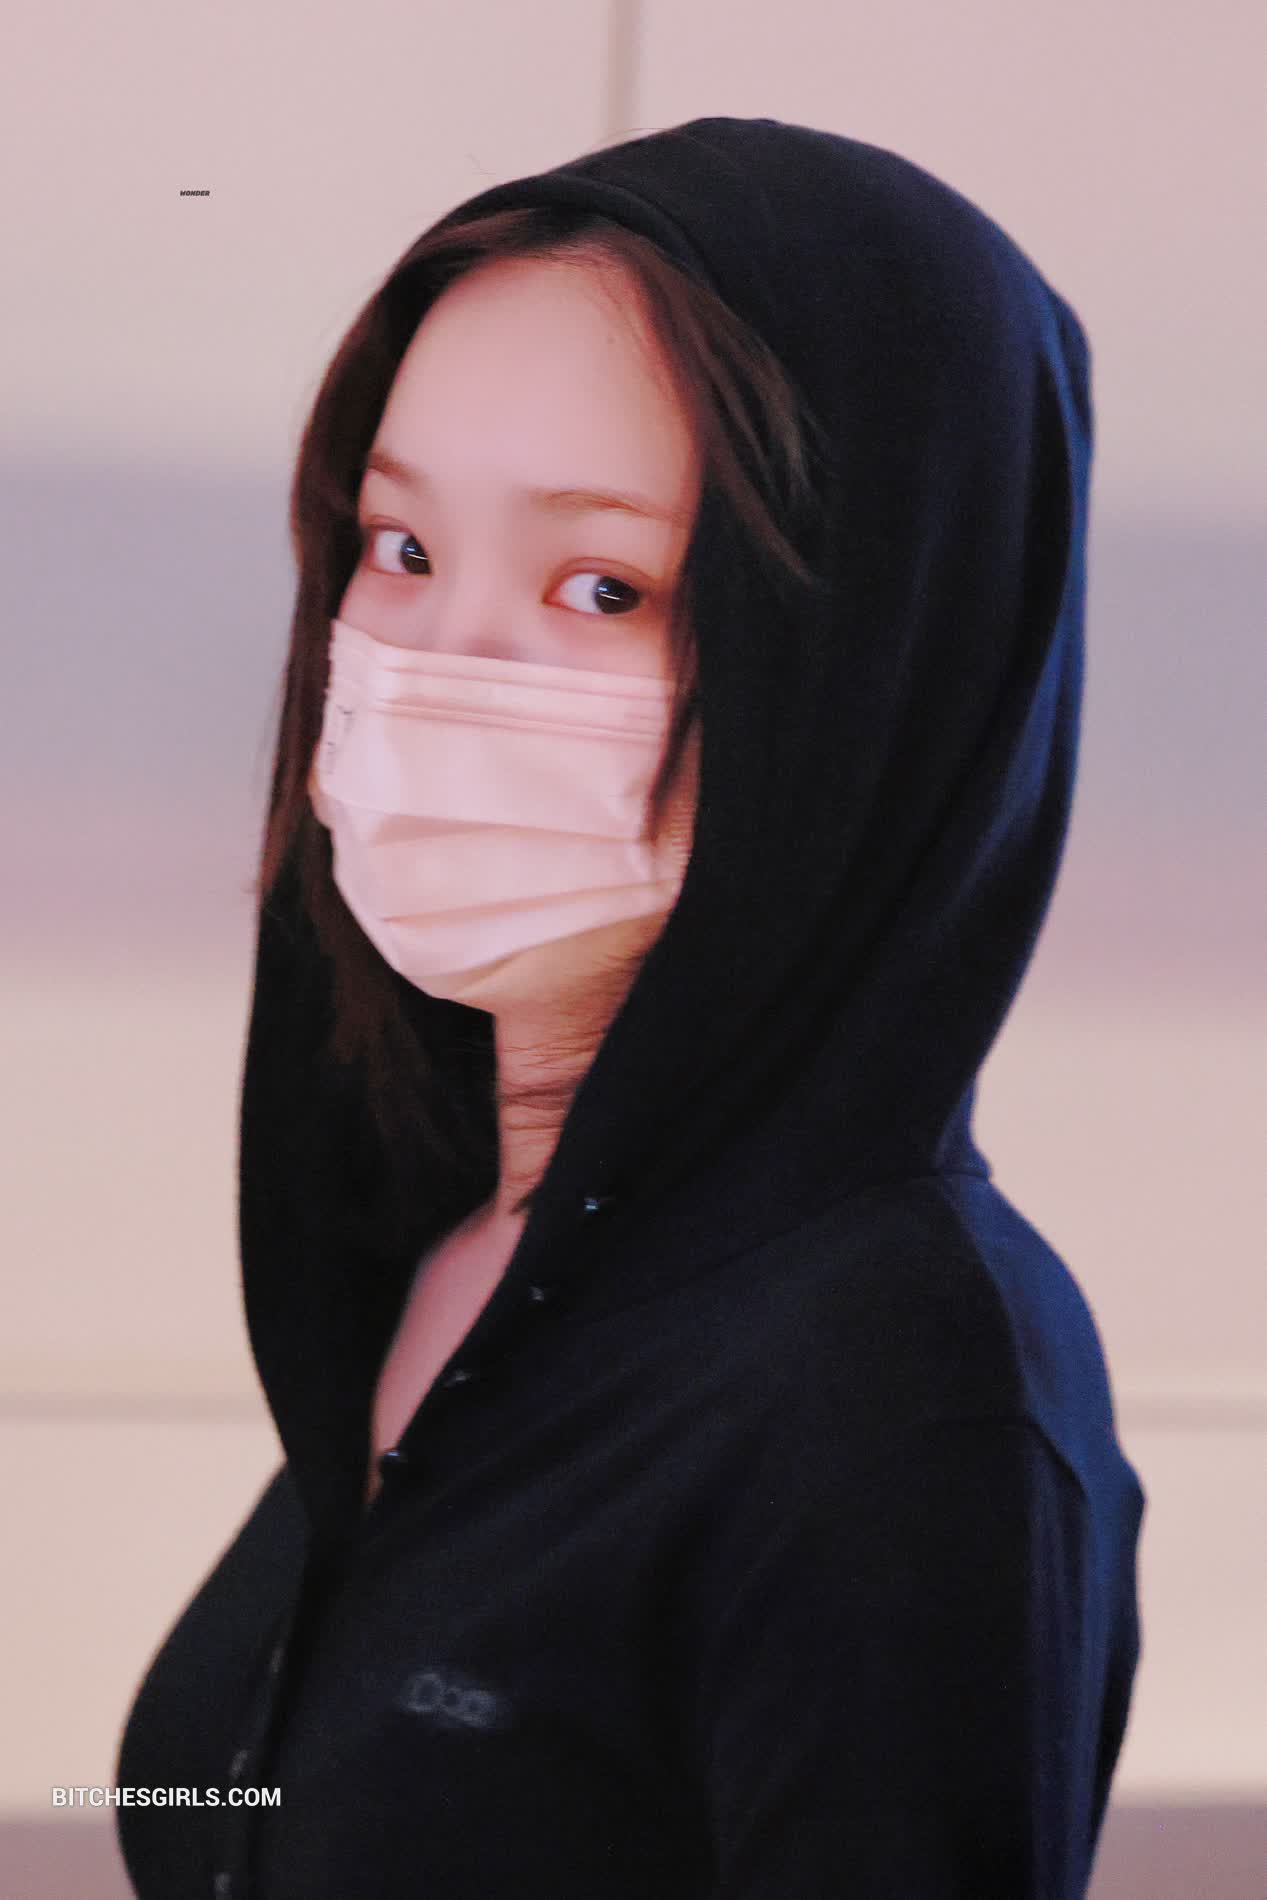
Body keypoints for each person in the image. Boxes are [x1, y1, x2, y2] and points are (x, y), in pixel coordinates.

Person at [115, 116, 1146, 1899]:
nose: (438, 666)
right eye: (400, 548)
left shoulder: (901, 1400)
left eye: (605, 587)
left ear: (870, 668)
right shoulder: (450, 1243)